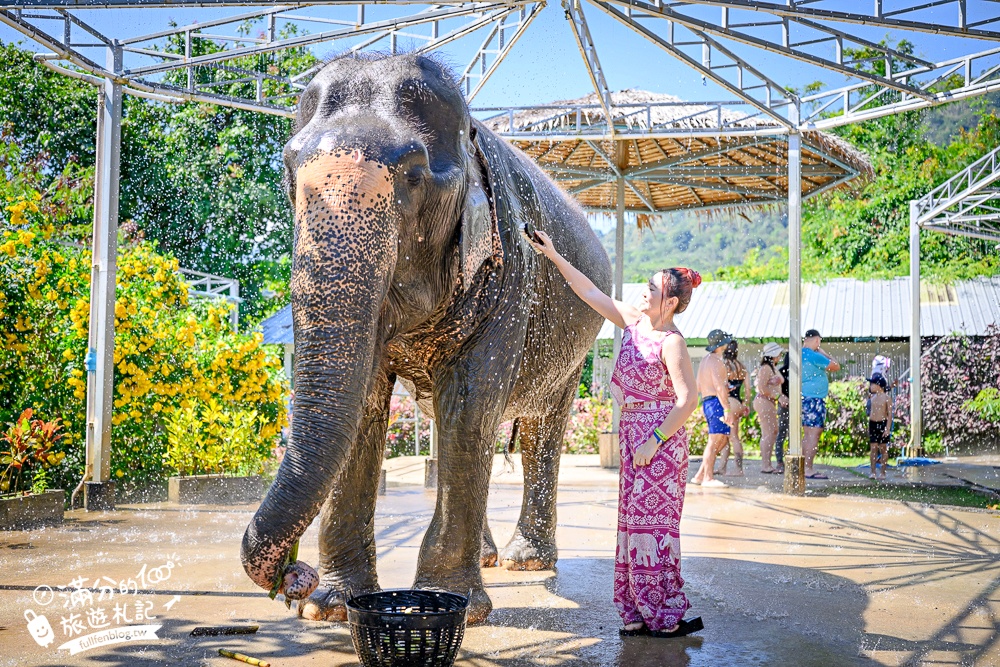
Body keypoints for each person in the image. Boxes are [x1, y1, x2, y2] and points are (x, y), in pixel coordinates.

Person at [528, 230, 704, 638]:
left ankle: (663, 614)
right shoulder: (635, 322)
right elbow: (589, 291)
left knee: (654, 528)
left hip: (659, 444)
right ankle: (638, 611)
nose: (644, 293)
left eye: (652, 289)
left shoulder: (671, 342)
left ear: (671, 302)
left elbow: (688, 400)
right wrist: (554, 254)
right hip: (633, 436)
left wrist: (653, 441)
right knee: (630, 526)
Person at [691, 330, 735, 488]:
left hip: (708, 401)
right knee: (715, 440)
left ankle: (700, 474)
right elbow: (718, 386)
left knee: (722, 439)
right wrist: (727, 408)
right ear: (721, 344)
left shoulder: (705, 360)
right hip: (716, 402)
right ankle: (708, 478)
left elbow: (698, 385)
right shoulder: (716, 361)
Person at [802, 329, 841, 479]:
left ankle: (803, 466)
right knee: (814, 434)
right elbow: (836, 366)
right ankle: (808, 468)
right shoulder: (815, 355)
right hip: (814, 399)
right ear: (817, 340)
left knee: (807, 435)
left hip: (805, 398)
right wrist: (823, 352)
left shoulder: (800, 354)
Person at [715, 339, 749, 476]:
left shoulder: (723, 365)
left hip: (728, 403)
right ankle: (723, 467)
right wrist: (746, 405)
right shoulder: (742, 367)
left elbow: (721, 386)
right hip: (738, 403)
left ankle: (738, 470)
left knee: (731, 436)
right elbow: (747, 390)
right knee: (729, 435)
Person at [754, 342, 785, 474]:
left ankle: (767, 463)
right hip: (764, 401)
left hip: (769, 401)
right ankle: (765, 465)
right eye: (779, 353)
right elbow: (761, 387)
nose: (781, 355)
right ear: (774, 354)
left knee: (772, 432)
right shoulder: (766, 368)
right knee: (768, 432)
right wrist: (778, 396)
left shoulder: (772, 367)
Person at [867, 374, 891, 481]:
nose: (870, 386)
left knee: (883, 448)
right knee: (873, 448)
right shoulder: (872, 398)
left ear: (878, 385)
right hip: (872, 424)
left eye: (872, 384)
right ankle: (872, 472)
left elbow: (889, 415)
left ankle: (883, 472)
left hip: (882, 424)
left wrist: (887, 428)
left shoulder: (887, 398)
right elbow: (870, 411)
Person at [774, 353, 790, 474]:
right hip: (786, 405)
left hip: (784, 404)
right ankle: (782, 461)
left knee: (782, 434)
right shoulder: (783, 371)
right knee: (786, 434)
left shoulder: (781, 371)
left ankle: (781, 461)